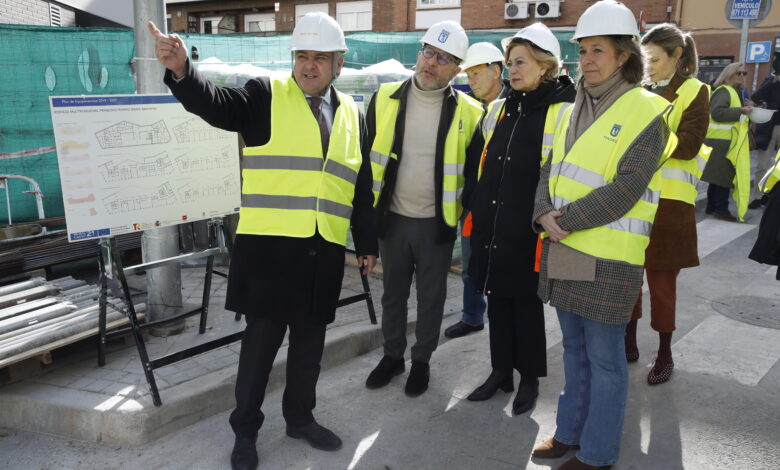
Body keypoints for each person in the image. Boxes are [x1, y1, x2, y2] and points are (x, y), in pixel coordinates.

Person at [148, 13, 378, 470]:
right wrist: (183, 73)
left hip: (324, 251)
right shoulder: (264, 95)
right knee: (259, 350)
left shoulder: (353, 112)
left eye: (320, 58)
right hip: (270, 254)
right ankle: (245, 432)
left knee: (310, 346)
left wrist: (367, 242)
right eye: (302, 56)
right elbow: (216, 103)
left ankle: (300, 418)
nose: (309, 66)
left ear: (339, 62)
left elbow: (360, 182)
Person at [530, 1, 676, 469]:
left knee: (607, 361)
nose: (587, 60)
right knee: (573, 351)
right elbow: (549, 170)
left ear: (624, 57)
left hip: (609, 258)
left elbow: (628, 187)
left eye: (599, 51)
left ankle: (596, 454)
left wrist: (563, 218)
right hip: (566, 247)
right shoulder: (570, 108)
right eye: (583, 51)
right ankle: (569, 432)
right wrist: (542, 214)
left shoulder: (647, 110)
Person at [364, 21, 484, 396]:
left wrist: (462, 215)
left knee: (431, 297)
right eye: (428, 52)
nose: (432, 63)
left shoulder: (470, 111)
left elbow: (475, 174)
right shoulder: (384, 97)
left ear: (457, 69)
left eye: (444, 58)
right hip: (392, 219)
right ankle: (393, 356)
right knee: (393, 294)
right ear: (419, 53)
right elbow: (364, 161)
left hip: (437, 223)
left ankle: (421, 361)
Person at [464, 22, 575, 415]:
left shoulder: (563, 111)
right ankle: (500, 372)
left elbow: (560, 172)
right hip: (494, 223)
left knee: (525, 305)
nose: (512, 69)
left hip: (530, 229)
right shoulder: (499, 109)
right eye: (510, 62)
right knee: (496, 300)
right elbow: (482, 166)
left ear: (545, 66)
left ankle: (528, 378)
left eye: (521, 62)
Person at [623, 23, 710, 385]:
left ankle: (664, 353)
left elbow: (689, 145)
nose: (649, 67)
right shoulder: (638, 91)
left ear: (677, 56)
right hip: (633, 203)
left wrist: (647, 130)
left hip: (670, 208)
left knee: (661, 286)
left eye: (655, 59)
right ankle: (627, 341)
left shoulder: (695, 92)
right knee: (628, 279)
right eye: (645, 60)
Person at [444, 41, 508, 339]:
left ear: (496, 71)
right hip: (474, 203)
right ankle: (472, 317)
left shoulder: (514, 107)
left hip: (502, 208)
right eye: (467, 76)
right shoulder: (475, 108)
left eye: (476, 74)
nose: (471, 81)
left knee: (499, 270)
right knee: (471, 265)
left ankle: (501, 325)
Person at [702, 62, 753, 222]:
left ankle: (712, 207)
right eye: (739, 73)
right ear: (729, 74)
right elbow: (717, 113)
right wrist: (741, 111)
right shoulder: (725, 91)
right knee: (724, 178)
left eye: (744, 73)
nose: (742, 76)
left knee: (717, 178)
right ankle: (721, 210)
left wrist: (745, 109)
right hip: (721, 143)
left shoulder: (732, 92)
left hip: (722, 141)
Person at [749, 57, 780, 209]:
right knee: (762, 164)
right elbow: (756, 97)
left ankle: (775, 196)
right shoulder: (771, 81)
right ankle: (758, 196)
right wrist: (771, 82)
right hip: (769, 128)